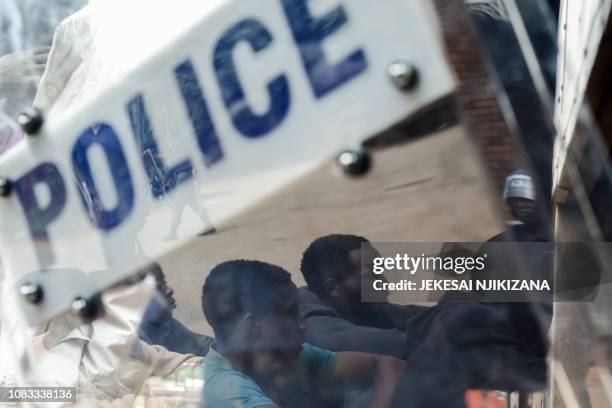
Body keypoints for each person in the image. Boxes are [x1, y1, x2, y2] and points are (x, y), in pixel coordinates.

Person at [299, 234, 548, 407]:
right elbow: (404, 342)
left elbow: (418, 318)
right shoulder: (315, 326)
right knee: (460, 322)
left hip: (426, 388)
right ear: (334, 289)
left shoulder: (367, 307)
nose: (384, 281)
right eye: (372, 274)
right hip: (395, 398)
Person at [201, 260, 406, 408]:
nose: (303, 324)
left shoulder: (282, 357)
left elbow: (388, 364)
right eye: (288, 313)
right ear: (253, 325)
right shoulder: (229, 394)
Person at [139, 262, 214, 356]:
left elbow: (200, 345)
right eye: (159, 286)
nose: (169, 290)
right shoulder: (135, 345)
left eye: (164, 282)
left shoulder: (165, 324)